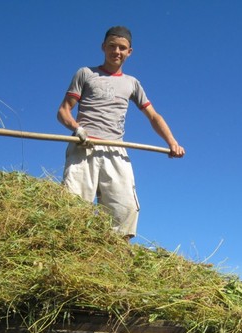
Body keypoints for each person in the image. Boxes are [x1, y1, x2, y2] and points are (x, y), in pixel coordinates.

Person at [57, 25, 185, 240]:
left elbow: (153, 116)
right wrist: (78, 129)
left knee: (125, 209)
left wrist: (172, 142)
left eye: (122, 48)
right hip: (84, 146)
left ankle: (118, 253)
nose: (116, 51)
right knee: (73, 204)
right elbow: (63, 111)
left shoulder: (132, 83)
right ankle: (71, 248)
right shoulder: (86, 74)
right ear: (103, 47)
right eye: (112, 46)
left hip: (116, 149)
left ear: (129, 52)